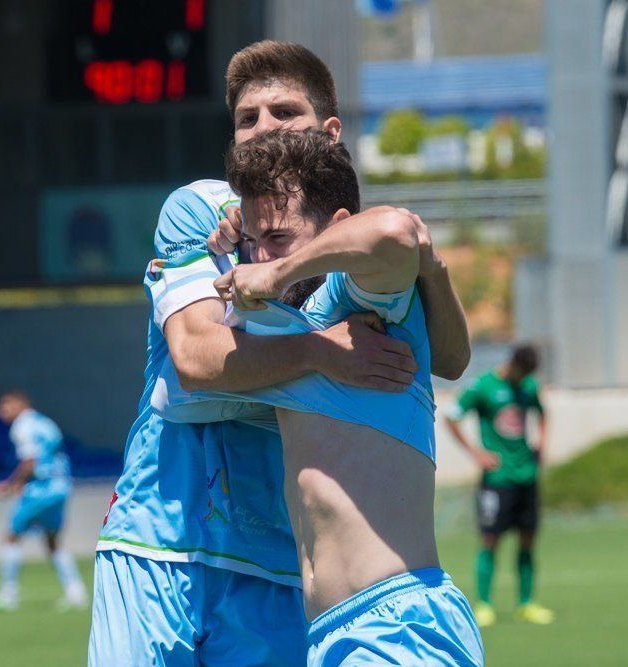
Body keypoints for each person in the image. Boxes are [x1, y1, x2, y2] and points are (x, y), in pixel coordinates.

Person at [89, 41, 470, 665]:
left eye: (283, 113)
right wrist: (319, 350)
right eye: (246, 118)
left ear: (330, 133)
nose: (262, 129)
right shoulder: (201, 209)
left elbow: (446, 358)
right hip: (162, 541)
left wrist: (433, 266)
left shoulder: (351, 260)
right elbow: (194, 356)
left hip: (287, 573)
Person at [155, 128, 482, 665]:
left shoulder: (352, 298)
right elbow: (184, 377)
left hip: (397, 622)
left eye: (279, 238)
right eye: (254, 240)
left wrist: (276, 271)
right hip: (330, 633)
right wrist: (233, 250)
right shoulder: (292, 326)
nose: (260, 254)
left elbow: (397, 232)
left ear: (335, 229)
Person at [444, 344, 554, 628]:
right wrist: (476, 453)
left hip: (526, 476)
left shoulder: (528, 386)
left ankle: (527, 603)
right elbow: (451, 416)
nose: (523, 380)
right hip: (496, 480)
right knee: (490, 540)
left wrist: (541, 443)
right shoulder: (483, 385)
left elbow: (543, 413)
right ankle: (484, 604)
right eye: (521, 373)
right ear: (512, 364)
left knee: (528, 540)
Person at [0, 390, 88, 612]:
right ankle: (76, 592)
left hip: (41, 488)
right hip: (61, 486)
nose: (1, 412)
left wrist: (12, 484)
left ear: (20, 404)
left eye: (5, 406)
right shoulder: (46, 423)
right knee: (52, 541)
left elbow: (30, 461)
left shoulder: (23, 426)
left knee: (12, 536)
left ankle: (8, 594)